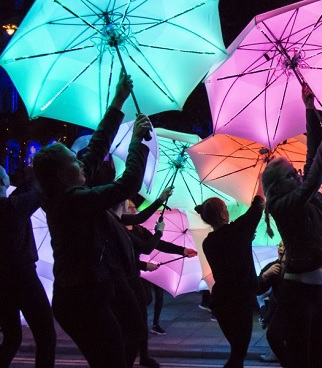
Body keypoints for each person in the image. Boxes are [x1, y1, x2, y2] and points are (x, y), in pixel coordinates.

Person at [32, 73, 151, 368]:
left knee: (134, 330)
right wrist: (136, 143)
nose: (79, 160)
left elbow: (96, 147)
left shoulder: (70, 187)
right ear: (61, 174)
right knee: (109, 358)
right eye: (73, 159)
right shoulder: (71, 201)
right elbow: (126, 186)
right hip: (79, 299)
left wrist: (119, 99)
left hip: (99, 282)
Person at [261, 83, 322, 368]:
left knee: (316, 359)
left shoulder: (296, 196)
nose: (299, 174)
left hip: (315, 293)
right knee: (300, 361)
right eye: (293, 174)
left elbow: (311, 154)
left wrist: (309, 109)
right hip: (297, 295)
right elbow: (312, 181)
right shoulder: (283, 206)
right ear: (282, 183)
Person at [116, 191, 198, 368]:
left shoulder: (137, 229)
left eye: (133, 206)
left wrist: (182, 250)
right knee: (131, 323)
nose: (134, 209)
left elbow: (158, 245)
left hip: (133, 276)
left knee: (142, 317)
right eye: (130, 207)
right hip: (123, 280)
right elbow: (145, 249)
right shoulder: (120, 230)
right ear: (122, 210)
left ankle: (144, 356)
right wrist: (158, 234)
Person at [196, 194, 265, 368]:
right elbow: (258, 205)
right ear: (222, 215)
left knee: (237, 352)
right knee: (237, 355)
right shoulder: (237, 231)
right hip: (240, 302)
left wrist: (245, 238)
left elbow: (230, 252)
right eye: (226, 209)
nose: (228, 211)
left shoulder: (208, 243)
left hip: (221, 303)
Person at [0, 166, 56, 367]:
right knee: (46, 336)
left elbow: (23, 192)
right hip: (22, 277)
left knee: (12, 338)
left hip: (2, 281)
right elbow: (37, 193)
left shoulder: (11, 205)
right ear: (4, 183)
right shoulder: (13, 207)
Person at [257, 242, 286, 364]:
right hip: (280, 309)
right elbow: (258, 289)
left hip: (297, 310)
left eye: (284, 246)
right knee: (273, 335)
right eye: (279, 246)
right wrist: (265, 275)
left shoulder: (298, 267)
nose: (281, 248)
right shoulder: (274, 267)